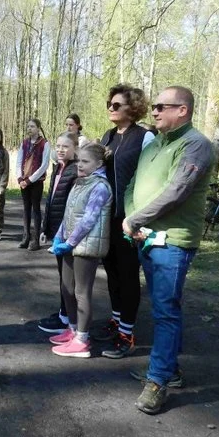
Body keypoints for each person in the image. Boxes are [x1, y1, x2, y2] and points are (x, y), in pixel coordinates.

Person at [123, 85, 212, 414]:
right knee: (161, 307)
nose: (155, 111)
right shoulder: (153, 145)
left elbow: (177, 191)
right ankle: (168, 369)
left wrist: (134, 219)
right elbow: (133, 184)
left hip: (173, 241)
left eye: (162, 106)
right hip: (145, 237)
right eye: (155, 106)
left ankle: (158, 381)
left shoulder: (196, 145)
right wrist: (132, 219)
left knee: (165, 310)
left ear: (183, 110)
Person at [97, 84, 156, 359]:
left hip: (129, 219)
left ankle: (127, 333)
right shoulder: (107, 136)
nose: (111, 107)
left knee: (129, 274)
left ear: (131, 108)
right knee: (112, 272)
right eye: (109, 103)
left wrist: (138, 218)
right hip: (106, 216)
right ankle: (117, 319)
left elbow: (150, 179)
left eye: (116, 105)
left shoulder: (144, 137)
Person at [48, 142, 113, 358]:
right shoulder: (80, 183)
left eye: (86, 162)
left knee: (81, 292)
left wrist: (71, 242)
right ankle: (73, 330)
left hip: (86, 247)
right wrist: (59, 237)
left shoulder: (100, 186)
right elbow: (68, 215)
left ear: (99, 164)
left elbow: (88, 220)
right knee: (67, 288)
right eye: (79, 161)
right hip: (70, 243)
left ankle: (82, 340)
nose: (80, 165)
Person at [37, 132, 80, 333]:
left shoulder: (75, 172)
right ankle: (64, 312)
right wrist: (46, 228)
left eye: (66, 146)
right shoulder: (58, 169)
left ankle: (68, 320)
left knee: (68, 279)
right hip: (56, 230)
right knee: (62, 276)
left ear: (75, 149)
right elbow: (52, 200)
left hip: (68, 233)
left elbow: (73, 207)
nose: (61, 150)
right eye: (59, 146)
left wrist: (66, 234)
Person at [16, 118, 51, 251]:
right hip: (24, 181)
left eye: (32, 126)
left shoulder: (44, 144)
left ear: (38, 128)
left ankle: (35, 240)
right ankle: (26, 237)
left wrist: (30, 180)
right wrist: (20, 179)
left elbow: (44, 165)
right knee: (26, 209)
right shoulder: (24, 143)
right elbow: (19, 161)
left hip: (36, 182)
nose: (29, 129)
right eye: (28, 126)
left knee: (35, 209)